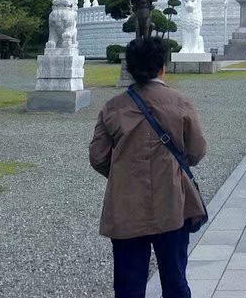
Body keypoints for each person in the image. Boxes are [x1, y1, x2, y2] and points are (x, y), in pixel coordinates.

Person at [90, 35, 208, 298]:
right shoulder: (181, 103)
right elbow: (197, 151)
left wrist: (124, 170)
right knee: (175, 280)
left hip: (126, 205)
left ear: (130, 69)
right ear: (162, 67)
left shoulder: (113, 107)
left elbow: (97, 157)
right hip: (172, 203)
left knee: (128, 285)